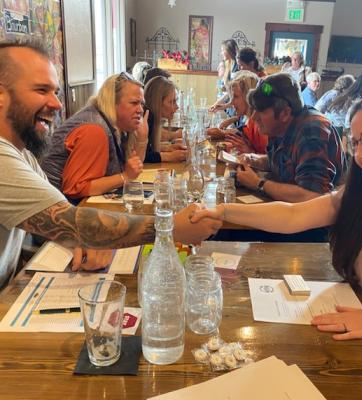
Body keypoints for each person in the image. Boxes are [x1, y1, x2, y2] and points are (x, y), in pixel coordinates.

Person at [194, 87, 362, 341]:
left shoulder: (313, 131)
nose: (360, 155)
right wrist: (223, 211)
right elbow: (292, 216)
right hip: (357, 333)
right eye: (355, 143)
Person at [0, 41, 222, 289]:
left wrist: (81, 238)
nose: (57, 104)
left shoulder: (22, 154)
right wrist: (169, 227)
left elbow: (62, 220)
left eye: (56, 92)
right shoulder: (92, 129)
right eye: (41, 90)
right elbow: (70, 213)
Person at [235, 73, 345, 203]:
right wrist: (253, 159)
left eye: (262, 111)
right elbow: (285, 162)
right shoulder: (278, 127)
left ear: (285, 113)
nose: (253, 117)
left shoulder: (311, 131)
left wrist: (258, 184)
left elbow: (312, 196)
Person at [42, 73, 147, 204]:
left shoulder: (113, 125)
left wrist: (142, 138)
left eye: (142, 104)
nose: (140, 110)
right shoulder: (94, 129)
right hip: (57, 211)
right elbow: (75, 189)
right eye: (134, 103)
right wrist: (125, 177)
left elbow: (135, 167)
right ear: (112, 102)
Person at [207, 71, 268, 154]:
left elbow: (272, 162)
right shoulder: (250, 121)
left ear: (248, 97)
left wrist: (250, 153)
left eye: (235, 97)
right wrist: (223, 133)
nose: (232, 103)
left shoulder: (261, 125)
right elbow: (241, 134)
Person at [143, 76, 187, 163]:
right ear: (158, 102)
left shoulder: (152, 117)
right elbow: (142, 156)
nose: (177, 106)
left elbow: (149, 148)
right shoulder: (146, 119)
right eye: (172, 102)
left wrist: (168, 148)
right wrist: (170, 156)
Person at [209, 39, 239, 112]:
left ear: (229, 51)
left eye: (223, 50)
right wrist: (217, 103)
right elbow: (228, 91)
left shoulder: (237, 66)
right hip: (229, 105)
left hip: (235, 106)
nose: (221, 53)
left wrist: (218, 103)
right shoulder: (228, 64)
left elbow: (233, 91)